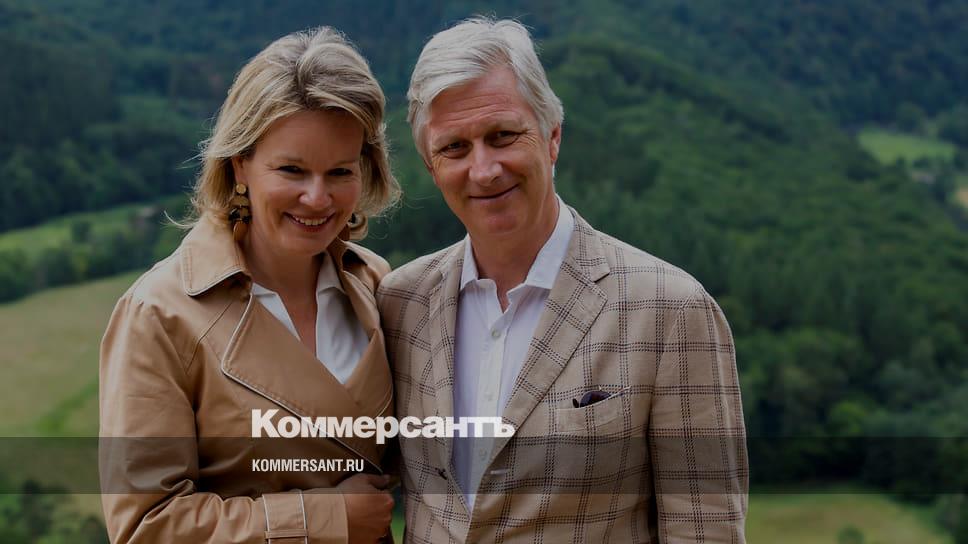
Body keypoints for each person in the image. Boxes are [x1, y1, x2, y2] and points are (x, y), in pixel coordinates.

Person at [377, 17, 748, 543]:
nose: (483, 170)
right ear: (431, 166)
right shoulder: (399, 303)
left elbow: (705, 530)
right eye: (454, 147)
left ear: (552, 136)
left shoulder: (672, 311)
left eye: (503, 136)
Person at [99, 27, 400, 543]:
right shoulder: (159, 314)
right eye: (292, 170)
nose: (317, 198)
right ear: (241, 164)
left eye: (339, 172)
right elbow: (144, 526)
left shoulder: (376, 283)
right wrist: (324, 518)